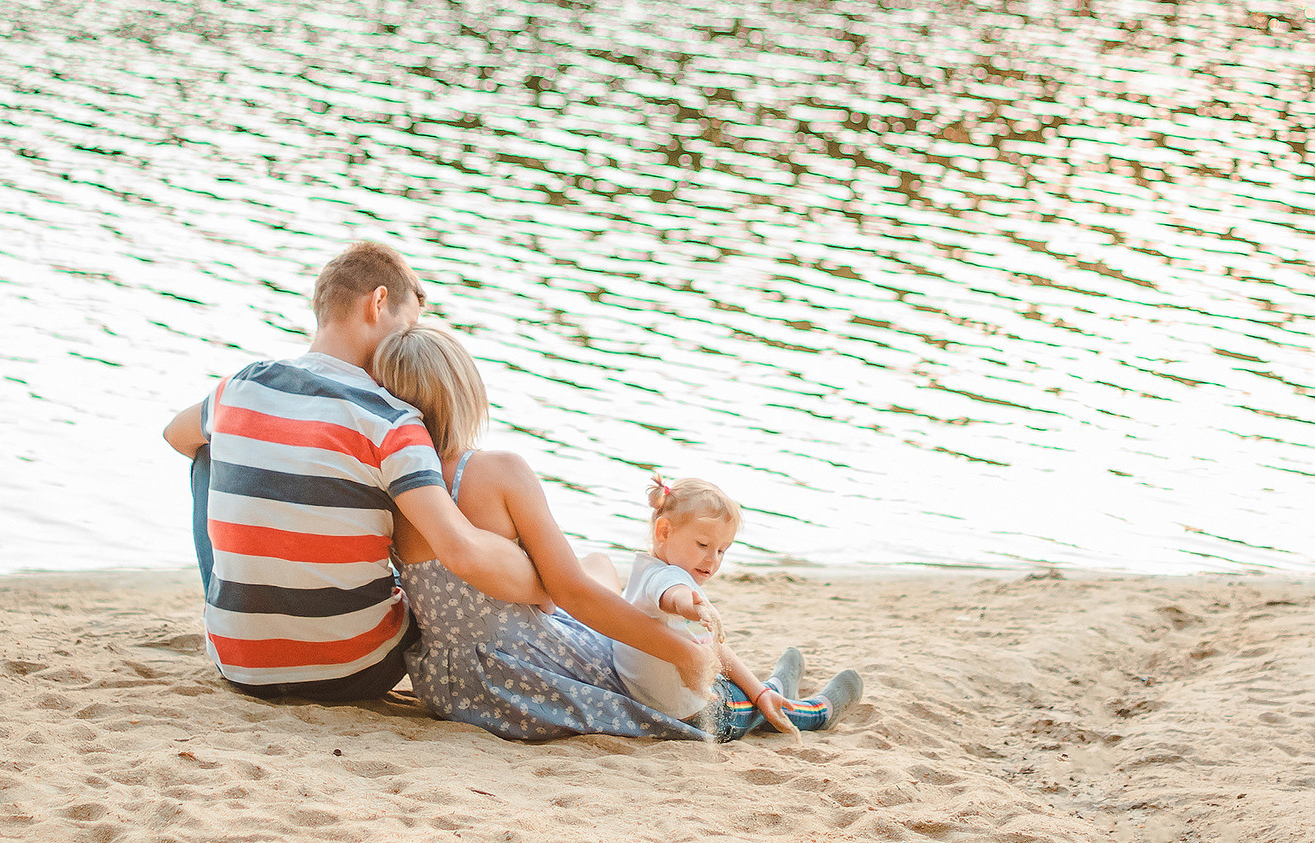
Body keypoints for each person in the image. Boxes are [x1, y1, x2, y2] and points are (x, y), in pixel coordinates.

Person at [159, 242, 708, 705]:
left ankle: (245, 609)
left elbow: (176, 435)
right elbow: (464, 553)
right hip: (353, 668)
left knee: (209, 453)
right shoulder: (391, 420)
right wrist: (554, 580)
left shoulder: (243, 385)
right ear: (379, 303)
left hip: (240, 666)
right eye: (409, 323)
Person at [371, 324, 849, 742]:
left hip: (448, 683)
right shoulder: (500, 472)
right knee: (688, 691)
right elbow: (573, 593)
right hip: (521, 673)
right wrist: (680, 653)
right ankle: (784, 694)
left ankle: (771, 681)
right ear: (465, 392)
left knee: (609, 588)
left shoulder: (389, 487)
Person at [614, 474, 861, 736]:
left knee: (752, 689)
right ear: (664, 531)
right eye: (703, 545)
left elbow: (715, 648)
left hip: (659, 698)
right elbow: (673, 596)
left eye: (722, 550)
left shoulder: (644, 567)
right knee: (754, 709)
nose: (712, 560)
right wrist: (692, 605)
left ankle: (772, 688)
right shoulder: (671, 579)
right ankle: (818, 713)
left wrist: (759, 690)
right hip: (694, 713)